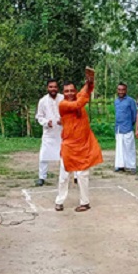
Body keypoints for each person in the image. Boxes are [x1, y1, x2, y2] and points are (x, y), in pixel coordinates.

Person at [54, 73, 103, 212]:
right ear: (63, 93)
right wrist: (86, 87)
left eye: (72, 90)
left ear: (75, 91)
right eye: (66, 91)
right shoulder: (63, 104)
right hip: (69, 145)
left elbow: (85, 90)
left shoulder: (78, 96)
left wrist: (89, 82)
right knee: (64, 175)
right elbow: (78, 104)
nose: (69, 93)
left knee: (83, 175)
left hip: (84, 144)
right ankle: (60, 200)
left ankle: (85, 202)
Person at [36, 79, 64, 186]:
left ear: (58, 88)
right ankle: (41, 177)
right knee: (44, 155)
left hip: (62, 132)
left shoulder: (63, 98)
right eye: (51, 87)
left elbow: (69, 113)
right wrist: (47, 122)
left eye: (55, 87)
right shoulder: (42, 101)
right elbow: (39, 117)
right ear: (47, 88)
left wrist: (64, 120)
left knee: (65, 154)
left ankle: (69, 176)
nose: (53, 89)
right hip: (49, 133)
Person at [114, 82, 137, 173]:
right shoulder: (116, 101)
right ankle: (120, 165)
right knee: (119, 148)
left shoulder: (130, 101)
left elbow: (134, 114)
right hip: (118, 128)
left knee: (129, 147)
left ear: (126, 90)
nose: (121, 91)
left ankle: (131, 166)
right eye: (119, 90)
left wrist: (131, 124)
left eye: (123, 90)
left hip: (127, 127)